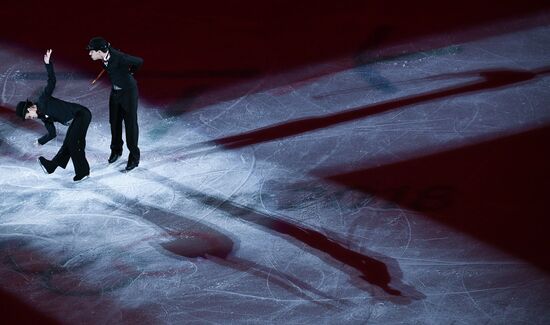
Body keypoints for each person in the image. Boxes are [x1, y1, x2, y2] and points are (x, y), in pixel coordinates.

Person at [15, 50, 92, 182]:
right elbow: (52, 133)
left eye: (28, 116)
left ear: (30, 108)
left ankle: (83, 172)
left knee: (73, 143)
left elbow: (52, 81)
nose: (31, 118)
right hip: (75, 120)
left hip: (81, 114)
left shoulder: (43, 99)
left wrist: (48, 64)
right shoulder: (44, 118)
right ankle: (51, 166)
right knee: (68, 144)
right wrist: (40, 141)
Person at [87, 37, 143, 171]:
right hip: (115, 92)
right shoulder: (103, 57)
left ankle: (134, 157)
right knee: (114, 122)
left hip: (128, 93)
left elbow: (139, 61)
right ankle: (116, 150)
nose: (89, 53)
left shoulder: (120, 57)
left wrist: (131, 72)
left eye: (91, 51)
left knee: (130, 124)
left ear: (100, 51)